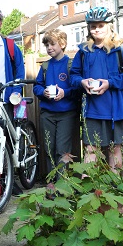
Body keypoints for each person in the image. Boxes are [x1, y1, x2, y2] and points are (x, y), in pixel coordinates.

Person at [69, 7, 123, 172]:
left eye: (101, 25)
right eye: (93, 26)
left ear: (110, 26)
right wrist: (82, 82)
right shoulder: (83, 52)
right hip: (92, 109)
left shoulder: (121, 50)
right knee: (90, 149)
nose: (97, 29)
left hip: (117, 110)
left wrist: (110, 83)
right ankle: (88, 190)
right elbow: (74, 75)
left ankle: (114, 190)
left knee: (114, 150)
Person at [33, 29, 80, 177]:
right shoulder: (45, 66)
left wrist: (64, 93)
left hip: (67, 113)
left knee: (62, 150)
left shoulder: (71, 64)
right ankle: (51, 182)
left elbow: (78, 88)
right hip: (47, 113)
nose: (49, 48)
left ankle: (62, 186)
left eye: (52, 44)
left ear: (62, 44)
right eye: (47, 45)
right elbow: (37, 86)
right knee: (48, 148)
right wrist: (43, 92)